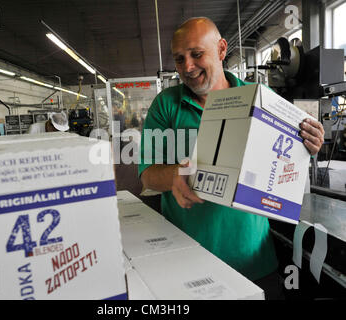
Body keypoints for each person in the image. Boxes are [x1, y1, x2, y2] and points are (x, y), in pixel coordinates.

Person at [138, 17, 324, 299]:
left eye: (197, 54)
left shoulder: (262, 99)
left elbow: (285, 162)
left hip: (253, 259)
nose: (187, 67)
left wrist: (309, 142)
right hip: (186, 262)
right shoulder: (166, 105)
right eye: (179, 59)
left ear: (222, 49)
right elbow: (148, 173)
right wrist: (175, 176)